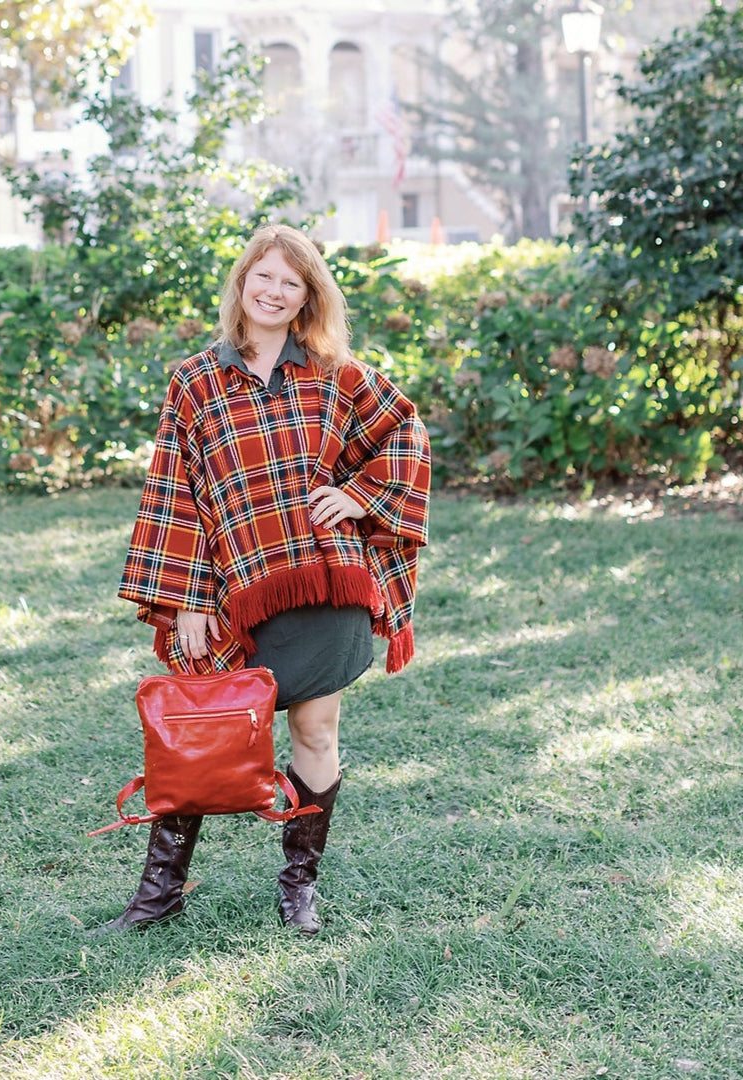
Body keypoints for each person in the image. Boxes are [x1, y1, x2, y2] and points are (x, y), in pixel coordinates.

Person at [107, 223, 430, 935]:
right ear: (243, 285)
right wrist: (186, 599)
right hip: (234, 591)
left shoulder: (334, 372)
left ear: (307, 295)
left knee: (315, 732)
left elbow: (406, 431)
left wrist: (362, 497)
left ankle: (298, 888)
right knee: (202, 729)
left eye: (292, 282)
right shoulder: (195, 380)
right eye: (265, 277)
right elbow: (176, 491)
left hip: (326, 583)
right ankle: (159, 894)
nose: (276, 291)